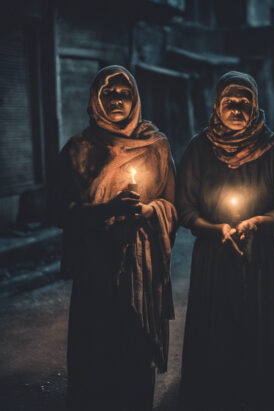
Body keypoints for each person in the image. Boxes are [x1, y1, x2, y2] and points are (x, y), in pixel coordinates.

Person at [49, 65, 177, 410]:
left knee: (135, 351)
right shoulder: (78, 149)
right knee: (95, 351)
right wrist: (107, 210)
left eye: (125, 94)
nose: (118, 100)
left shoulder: (155, 145)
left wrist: (151, 212)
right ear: (96, 99)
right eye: (110, 94)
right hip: (95, 265)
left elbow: (172, 204)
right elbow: (60, 211)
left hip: (140, 265)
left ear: (136, 99)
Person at [176, 71, 274, 410]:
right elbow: (185, 207)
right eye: (230, 102)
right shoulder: (199, 148)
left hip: (259, 258)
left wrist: (256, 222)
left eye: (245, 102)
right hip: (213, 257)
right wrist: (215, 228)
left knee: (256, 333)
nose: (238, 108)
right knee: (215, 334)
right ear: (217, 105)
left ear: (256, 106)